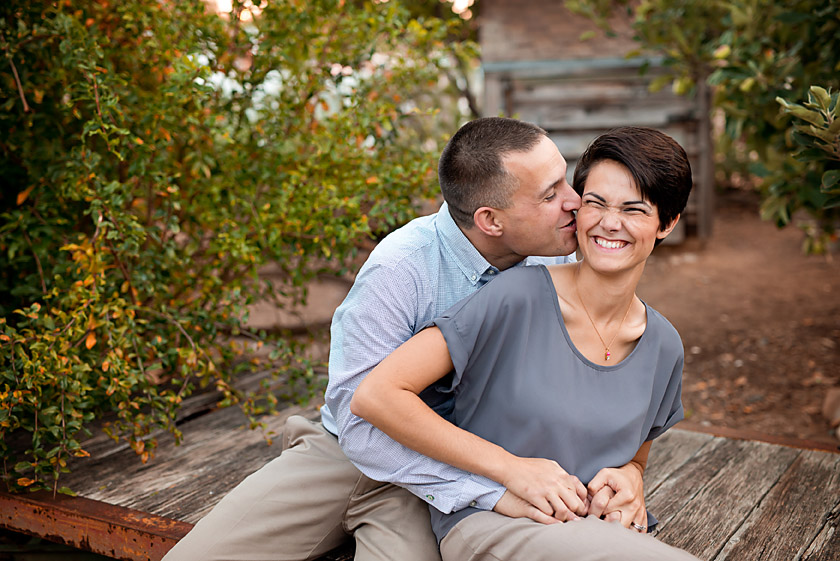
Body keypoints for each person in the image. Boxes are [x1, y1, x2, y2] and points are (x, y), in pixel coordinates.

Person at [162, 117, 582, 561]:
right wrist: (493, 483)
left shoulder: (557, 260)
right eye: (550, 194)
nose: (574, 202)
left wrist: (629, 469)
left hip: (440, 467)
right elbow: (359, 423)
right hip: (343, 454)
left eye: (564, 181)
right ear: (490, 220)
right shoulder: (401, 268)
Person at [350, 127, 702, 560]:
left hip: (594, 531)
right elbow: (373, 395)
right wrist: (508, 471)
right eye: (595, 202)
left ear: (666, 223)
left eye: (634, 209)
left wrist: (632, 474)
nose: (610, 222)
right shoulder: (515, 293)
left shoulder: (664, 345)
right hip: (499, 519)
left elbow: (636, 453)